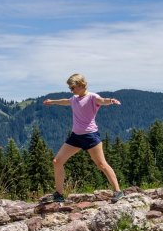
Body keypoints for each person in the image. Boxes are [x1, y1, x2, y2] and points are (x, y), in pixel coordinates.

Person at [40, 73, 125, 204]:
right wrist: (53, 102)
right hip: (75, 137)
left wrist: (111, 101)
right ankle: (59, 194)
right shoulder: (74, 99)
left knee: (101, 164)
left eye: (72, 87)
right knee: (57, 161)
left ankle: (118, 191)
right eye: (70, 88)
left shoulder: (92, 97)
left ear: (81, 85)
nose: (71, 90)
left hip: (90, 136)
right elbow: (66, 102)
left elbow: (102, 101)